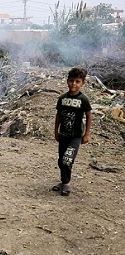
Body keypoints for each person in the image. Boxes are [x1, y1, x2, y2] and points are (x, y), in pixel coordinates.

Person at [53, 67, 92, 196]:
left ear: (82, 83)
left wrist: (86, 134)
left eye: (77, 81)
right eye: (71, 81)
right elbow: (58, 115)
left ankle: (67, 183)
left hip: (75, 136)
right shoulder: (62, 98)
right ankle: (63, 181)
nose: (73, 84)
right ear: (67, 81)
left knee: (67, 159)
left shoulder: (83, 100)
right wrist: (56, 131)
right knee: (61, 160)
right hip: (63, 134)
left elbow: (89, 116)